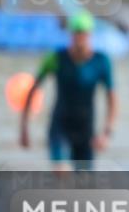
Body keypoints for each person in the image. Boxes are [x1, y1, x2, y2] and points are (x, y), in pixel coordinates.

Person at [19, 11, 117, 171]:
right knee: (61, 171)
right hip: (60, 126)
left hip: (86, 129)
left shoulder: (101, 61)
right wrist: (24, 127)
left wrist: (107, 133)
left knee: (83, 184)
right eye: (76, 33)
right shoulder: (56, 58)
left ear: (90, 34)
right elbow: (33, 89)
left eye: (83, 34)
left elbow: (112, 98)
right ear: (70, 34)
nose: (79, 38)